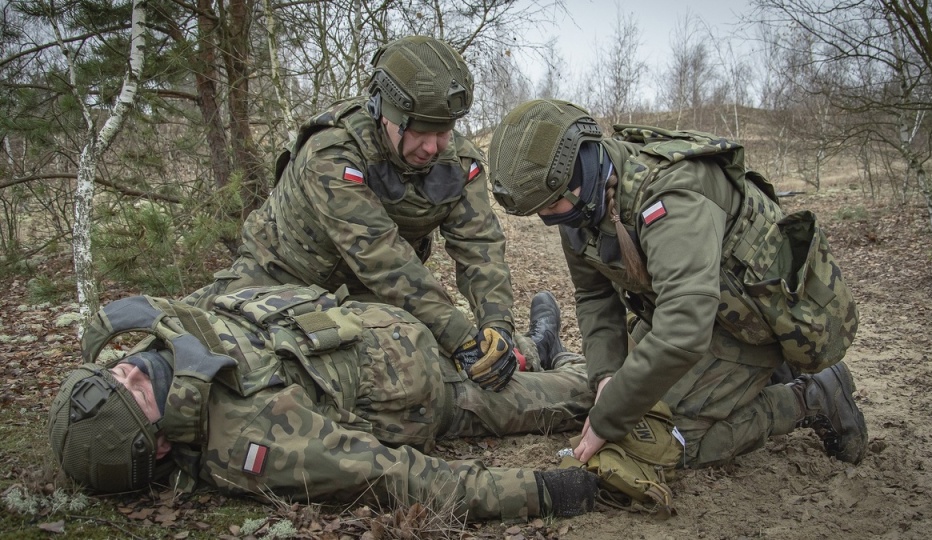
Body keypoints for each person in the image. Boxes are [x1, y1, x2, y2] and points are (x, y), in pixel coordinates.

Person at [486, 99, 868, 469]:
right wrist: (606, 377)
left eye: (552, 205)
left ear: (582, 166)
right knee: (621, 403)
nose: (549, 218)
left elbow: (684, 328)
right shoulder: (581, 206)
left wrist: (610, 416)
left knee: (668, 442)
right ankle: (756, 381)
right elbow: (594, 295)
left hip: (754, 325)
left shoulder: (672, 194)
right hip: (698, 313)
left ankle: (810, 397)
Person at [48, 285, 597, 523]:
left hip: (395, 328)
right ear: (162, 440)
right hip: (442, 397)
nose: (133, 370)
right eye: (135, 394)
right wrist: (543, 490)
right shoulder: (253, 438)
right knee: (583, 392)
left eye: (116, 369)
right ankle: (559, 356)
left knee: (503, 351)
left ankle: (534, 344)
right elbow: (398, 477)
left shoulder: (171, 334)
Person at [189, 35, 518, 392]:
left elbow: (480, 245)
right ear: (383, 113)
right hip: (277, 276)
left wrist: (496, 324)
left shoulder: (460, 162)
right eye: (421, 132)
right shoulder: (332, 152)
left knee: (414, 366)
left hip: (364, 295)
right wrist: (458, 335)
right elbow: (380, 254)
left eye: (444, 132)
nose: (432, 147)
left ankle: (534, 349)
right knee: (212, 350)